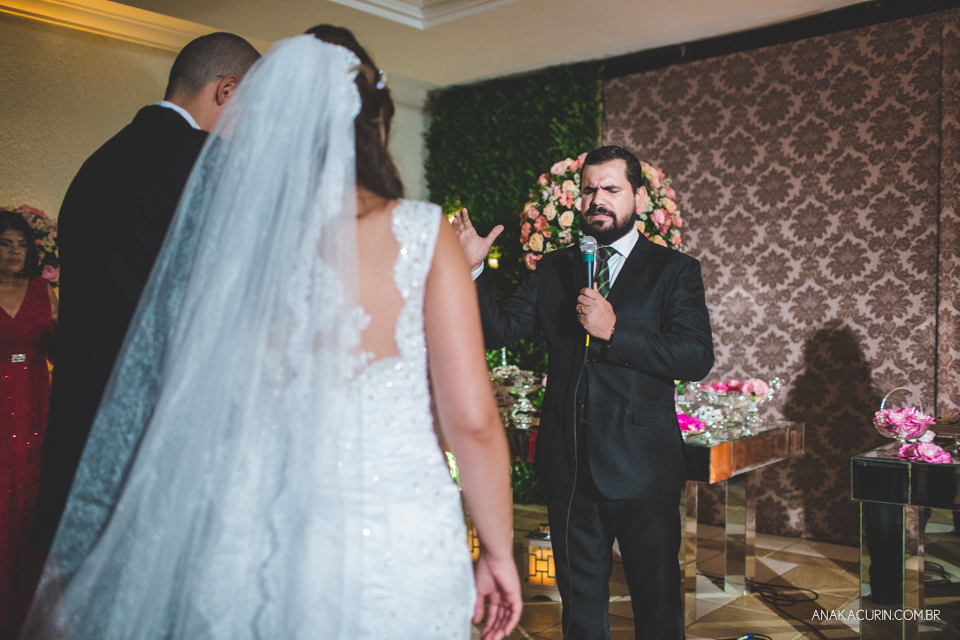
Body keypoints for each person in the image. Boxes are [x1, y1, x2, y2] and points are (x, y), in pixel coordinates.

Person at [21, 27, 520, 640]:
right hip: (395, 528)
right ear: (376, 123)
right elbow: (468, 420)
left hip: (258, 526)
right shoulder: (421, 234)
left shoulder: (232, 235)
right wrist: (497, 552)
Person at [453, 145, 714, 639]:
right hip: (570, 469)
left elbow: (695, 356)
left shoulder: (674, 271)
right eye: (590, 189)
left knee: (657, 613)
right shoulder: (554, 269)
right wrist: (473, 271)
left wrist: (617, 330)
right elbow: (497, 330)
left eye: (611, 189)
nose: (598, 199)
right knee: (582, 613)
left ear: (637, 196)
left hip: (644, 470)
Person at [31, 32, 261, 551]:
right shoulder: (206, 164)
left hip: (79, 432)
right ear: (226, 91)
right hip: (158, 438)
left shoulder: (97, 165)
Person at [0, 211, 57, 638]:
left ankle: (28, 598)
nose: (15, 251)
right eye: (5, 243)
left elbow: (65, 344)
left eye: (21, 244)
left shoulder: (44, 291)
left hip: (37, 399)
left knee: (35, 488)